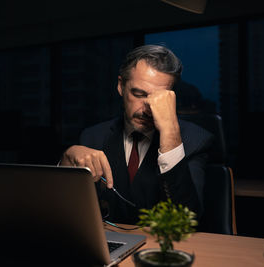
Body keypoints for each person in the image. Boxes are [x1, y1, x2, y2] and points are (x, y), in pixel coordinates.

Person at [60, 45, 214, 224]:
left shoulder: (196, 140)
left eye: (158, 98)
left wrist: (170, 132)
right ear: (120, 86)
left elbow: (188, 222)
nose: (147, 109)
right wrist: (65, 161)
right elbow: (63, 211)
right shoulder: (92, 137)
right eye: (138, 94)